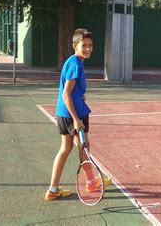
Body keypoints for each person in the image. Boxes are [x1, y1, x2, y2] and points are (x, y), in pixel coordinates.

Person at [45, 28, 111, 201]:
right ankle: (90, 182)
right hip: (73, 114)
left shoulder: (73, 61)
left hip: (64, 111)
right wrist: (76, 119)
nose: (88, 49)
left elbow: (70, 91)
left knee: (70, 148)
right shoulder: (75, 63)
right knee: (82, 147)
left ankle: (53, 189)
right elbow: (66, 93)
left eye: (90, 45)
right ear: (75, 45)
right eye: (84, 45)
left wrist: (80, 94)